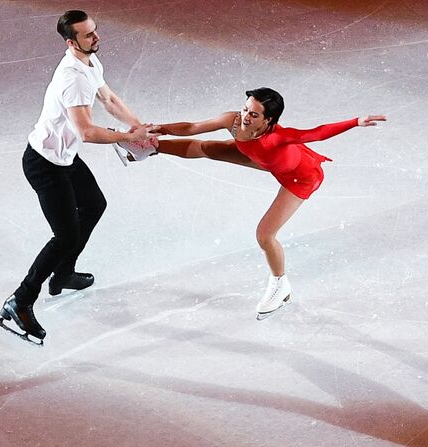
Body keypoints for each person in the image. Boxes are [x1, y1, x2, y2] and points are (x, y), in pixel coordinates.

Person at [144, 88, 385, 318]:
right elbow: (193, 127)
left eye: (254, 114)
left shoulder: (279, 137)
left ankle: (280, 285)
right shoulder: (235, 121)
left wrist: (355, 122)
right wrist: (159, 129)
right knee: (208, 148)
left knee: (264, 235)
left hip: (300, 177)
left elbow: (317, 133)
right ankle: (147, 147)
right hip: (264, 160)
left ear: (268, 120)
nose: (245, 117)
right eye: (245, 109)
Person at [0, 10, 153, 345]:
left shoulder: (90, 64)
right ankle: (20, 300)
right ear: (71, 42)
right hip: (44, 164)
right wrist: (127, 138)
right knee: (64, 235)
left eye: (95, 31)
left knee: (94, 205)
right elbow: (87, 132)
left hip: (63, 159)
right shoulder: (73, 77)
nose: (96, 38)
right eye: (88, 35)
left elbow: (109, 99)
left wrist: (138, 127)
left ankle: (63, 273)